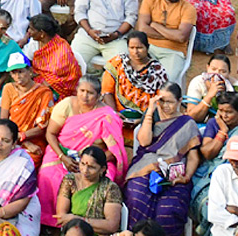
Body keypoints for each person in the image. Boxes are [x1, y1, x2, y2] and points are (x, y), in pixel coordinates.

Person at [36, 77, 128, 227]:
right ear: (76, 91)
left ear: (98, 96)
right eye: (82, 91)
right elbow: (50, 134)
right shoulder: (66, 105)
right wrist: (63, 157)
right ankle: (52, 222)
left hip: (96, 158)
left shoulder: (107, 115)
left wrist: (89, 164)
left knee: (104, 178)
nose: (85, 96)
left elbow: (114, 150)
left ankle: (89, 224)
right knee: (49, 175)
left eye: (90, 93)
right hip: (61, 151)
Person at [123, 83, 200, 232]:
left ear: (179, 101)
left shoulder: (187, 123)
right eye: (161, 101)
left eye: (169, 102)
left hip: (175, 174)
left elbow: (193, 157)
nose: (165, 106)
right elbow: (144, 142)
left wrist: (187, 177)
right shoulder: (152, 117)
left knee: (168, 210)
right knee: (136, 197)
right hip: (146, 167)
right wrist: (150, 111)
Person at [101, 31, 170, 135]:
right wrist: (114, 113)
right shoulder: (118, 63)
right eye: (132, 48)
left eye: (139, 48)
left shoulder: (157, 71)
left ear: (147, 47)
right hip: (116, 114)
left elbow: (160, 101)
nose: (135, 52)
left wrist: (143, 120)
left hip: (145, 119)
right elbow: (106, 92)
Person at [0, 54, 54, 170]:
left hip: (34, 139)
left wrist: (23, 137)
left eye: (21, 72)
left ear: (30, 71)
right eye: (13, 73)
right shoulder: (8, 88)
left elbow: (42, 126)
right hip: (9, 138)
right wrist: (20, 140)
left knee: (27, 163)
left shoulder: (44, 93)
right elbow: (3, 120)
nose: (17, 76)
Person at [53, 145, 123, 236]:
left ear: (102, 169)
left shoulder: (110, 188)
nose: (85, 170)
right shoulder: (70, 180)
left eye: (91, 167)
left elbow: (112, 225)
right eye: (82, 164)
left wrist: (77, 219)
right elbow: (61, 217)